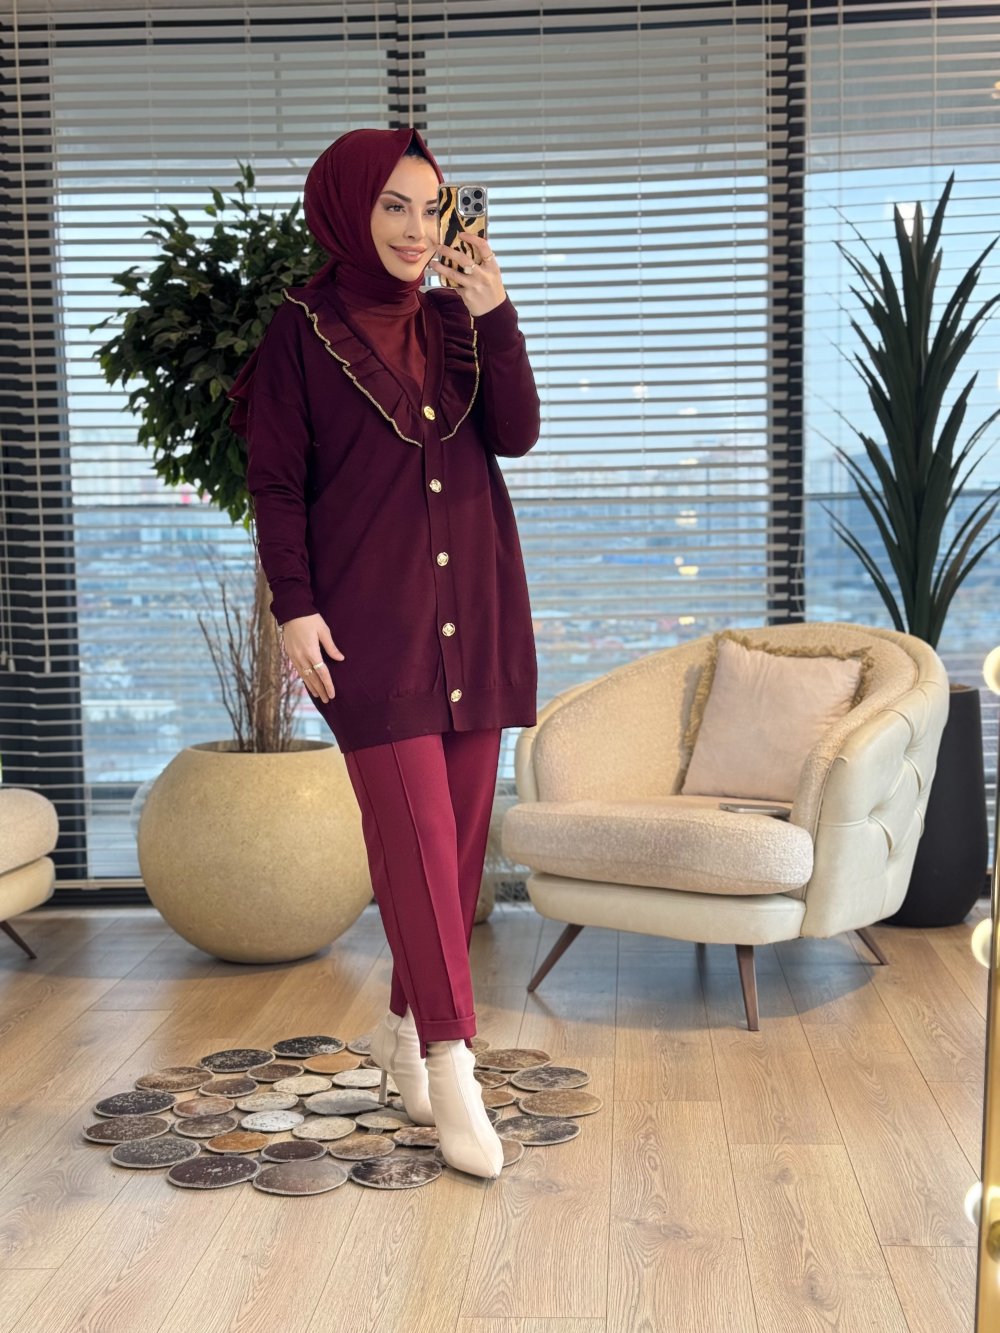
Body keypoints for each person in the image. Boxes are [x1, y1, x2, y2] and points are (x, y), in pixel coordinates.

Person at [226, 127, 541, 1179]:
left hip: (477, 609)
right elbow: (276, 485)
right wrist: (294, 609)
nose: (416, 229)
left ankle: (406, 1033)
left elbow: (517, 432)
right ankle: (454, 1066)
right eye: (394, 205)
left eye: (431, 206)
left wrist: (495, 314)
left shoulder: (457, 321)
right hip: (370, 624)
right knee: (413, 839)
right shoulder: (300, 331)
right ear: (347, 208)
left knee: (449, 855)